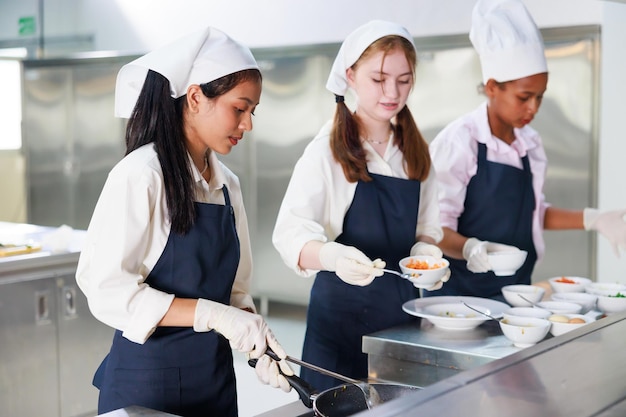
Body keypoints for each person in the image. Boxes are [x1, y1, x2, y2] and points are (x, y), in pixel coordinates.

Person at [75, 27, 293, 417]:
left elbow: (234, 293)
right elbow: (106, 290)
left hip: (214, 386)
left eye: (253, 112)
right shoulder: (142, 175)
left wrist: (257, 340)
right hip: (147, 391)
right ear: (195, 97)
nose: (248, 124)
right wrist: (210, 314)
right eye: (239, 108)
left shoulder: (228, 187)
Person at [272, 20, 446, 391]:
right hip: (338, 320)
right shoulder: (328, 149)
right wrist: (333, 258)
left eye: (404, 79)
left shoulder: (415, 150)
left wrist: (425, 250)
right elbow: (289, 234)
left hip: (399, 314)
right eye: (379, 79)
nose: (393, 91)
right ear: (350, 77)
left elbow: (429, 225)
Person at [427, 0, 626, 301]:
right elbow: (436, 227)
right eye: (524, 97)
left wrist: (595, 219)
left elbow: (532, 213)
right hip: (458, 298)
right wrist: (472, 249)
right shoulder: (460, 142)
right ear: (492, 87)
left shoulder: (529, 143)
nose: (533, 107)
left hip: (518, 292)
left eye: (540, 97)